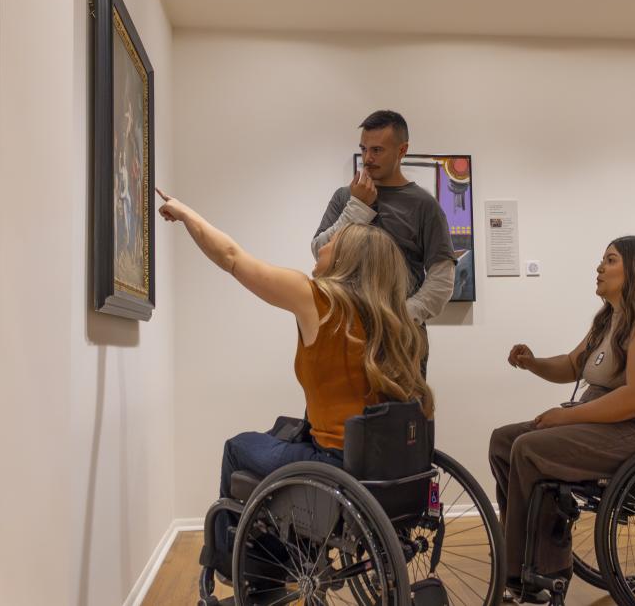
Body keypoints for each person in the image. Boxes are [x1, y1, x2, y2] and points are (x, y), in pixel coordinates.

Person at [156, 188, 433, 592]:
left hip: (336, 465)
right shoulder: (397, 321)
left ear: (346, 258)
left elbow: (231, 257)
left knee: (238, 448)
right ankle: (292, 549)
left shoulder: (319, 300)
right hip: (389, 468)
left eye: (332, 242)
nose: (322, 245)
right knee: (283, 429)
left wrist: (184, 213)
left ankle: (243, 566)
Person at [489, 236, 635, 604]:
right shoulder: (612, 318)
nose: (599, 268)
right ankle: (529, 556)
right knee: (504, 441)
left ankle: (537, 570)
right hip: (621, 423)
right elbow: (572, 365)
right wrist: (533, 363)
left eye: (610, 260)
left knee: (529, 448)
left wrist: (566, 417)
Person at [312, 110, 457, 372]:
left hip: (400, 341)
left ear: (402, 150)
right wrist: (357, 207)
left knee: (401, 402)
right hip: (345, 333)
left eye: (377, 150)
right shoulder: (345, 196)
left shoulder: (425, 206)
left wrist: (398, 318)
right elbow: (320, 252)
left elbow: (442, 280)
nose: (367, 158)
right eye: (363, 149)